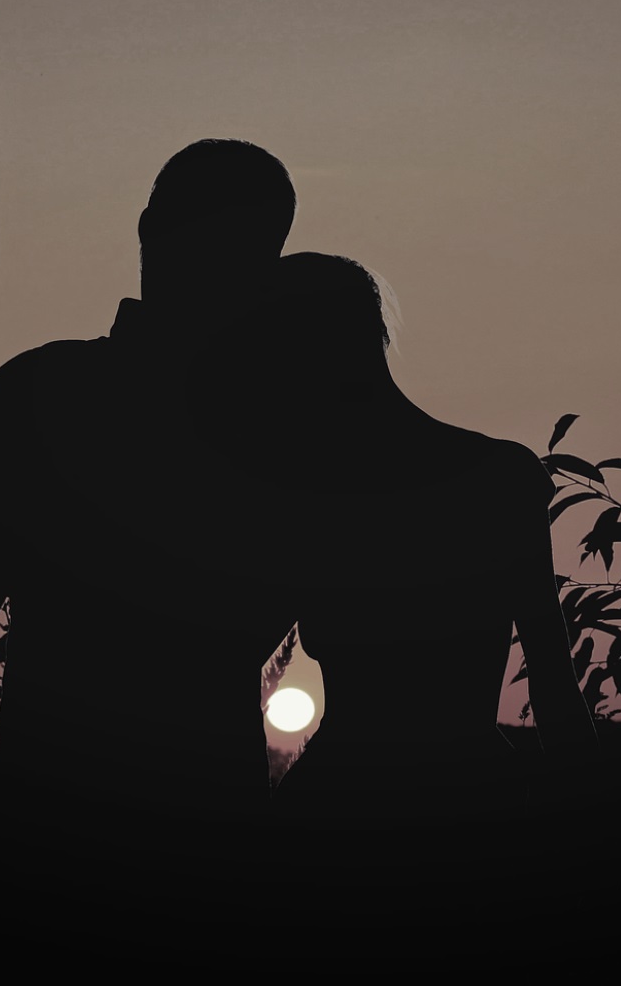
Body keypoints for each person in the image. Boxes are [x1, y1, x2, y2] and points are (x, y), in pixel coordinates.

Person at [0, 139, 300, 911]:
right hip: (200, 846)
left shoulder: (32, 393)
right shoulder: (278, 430)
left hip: (51, 835)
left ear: (147, 230)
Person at [181, 252, 599, 918]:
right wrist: (595, 851)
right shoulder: (499, 477)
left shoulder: (303, 498)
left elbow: (221, 665)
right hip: (473, 811)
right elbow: (554, 683)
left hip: (342, 816)